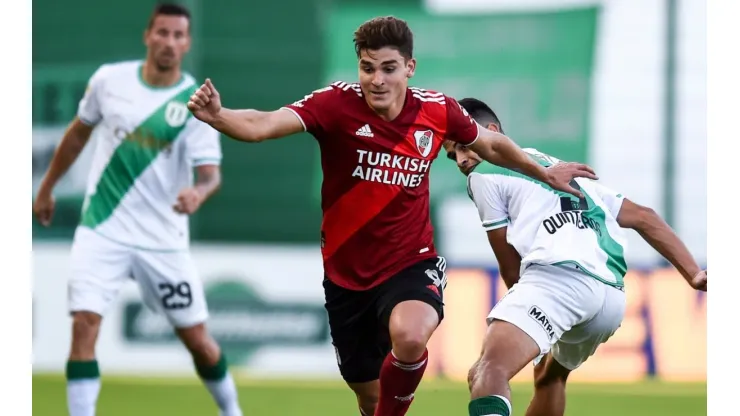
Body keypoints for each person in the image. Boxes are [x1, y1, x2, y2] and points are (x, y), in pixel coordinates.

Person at [186, 16, 596, 416]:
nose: (376, 79)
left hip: (410, 261)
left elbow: (491, 144)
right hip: (346, 277)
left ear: (409, 68)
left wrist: (542, 173)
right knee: (369, 398)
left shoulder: (437, 111)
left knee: (411, 335)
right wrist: (219, 116)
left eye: (388, 68)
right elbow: (263, 123)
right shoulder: (334, 105)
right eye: (368, 68)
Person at [32, 4, 243, 416]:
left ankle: (232, 410)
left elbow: (210, 175)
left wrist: (198, 194)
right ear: (148, 35)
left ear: (188, 43)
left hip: (162, 240)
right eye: (162, 32)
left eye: (178, 35)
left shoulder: (195, 102)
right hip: (102, 229)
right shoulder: (109, 81)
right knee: (84, 325)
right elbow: (77, 136)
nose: (169, 42)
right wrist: (47, 187)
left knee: (198, 340)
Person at [443, 97, 707, 416]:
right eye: (452, 155)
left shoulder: (484, 177)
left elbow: (510, 266)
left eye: (462, 146)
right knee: (550, 376)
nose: (460, 159)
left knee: (488, 371)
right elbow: (645, 216)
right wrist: (693, 274)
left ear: (491, 132)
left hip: (558, 280)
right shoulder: (563, 170)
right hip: (610, 299)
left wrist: (525, 307)